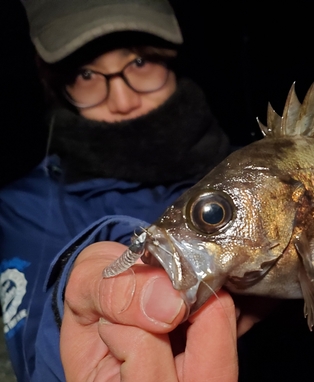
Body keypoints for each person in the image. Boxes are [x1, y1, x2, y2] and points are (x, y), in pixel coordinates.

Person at [0, 0, 244, 380]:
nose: (124, 101)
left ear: (171, 59)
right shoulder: (22, 206)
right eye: (86, 74)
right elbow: (33, 356)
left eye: (140, 62)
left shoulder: (250, 169)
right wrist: (75, 302)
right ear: (54, 85)